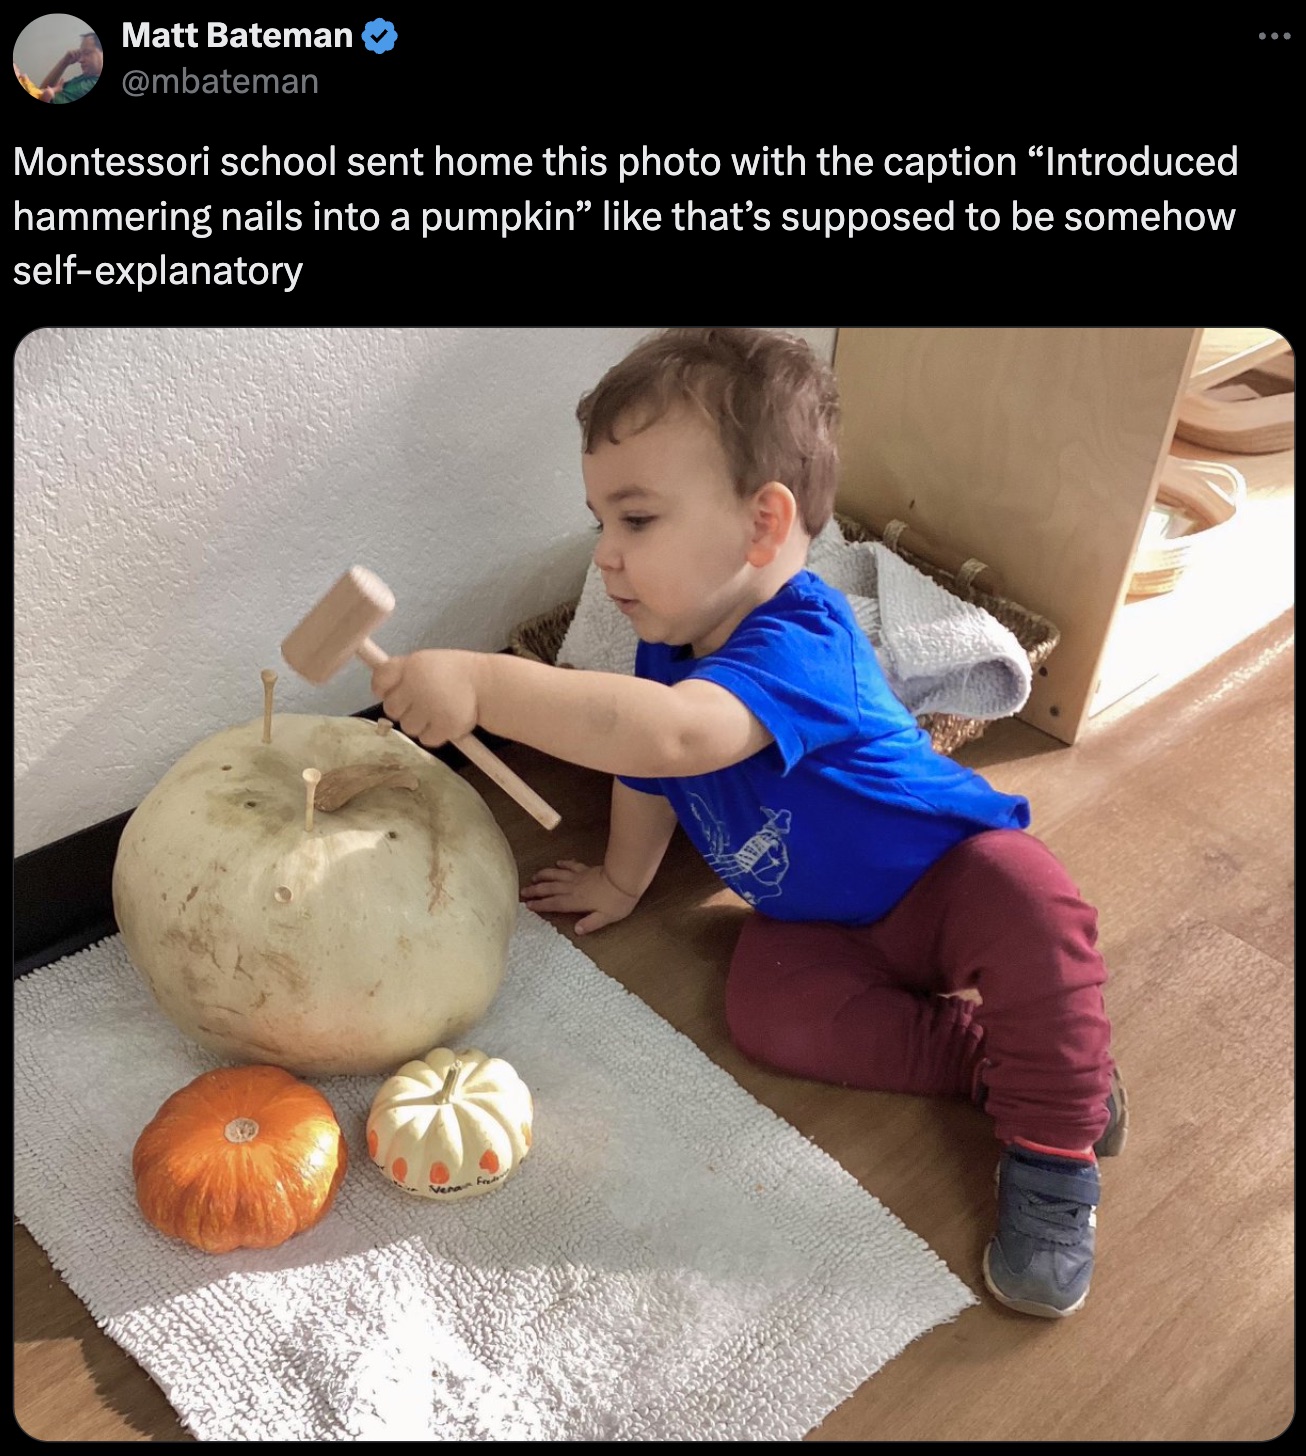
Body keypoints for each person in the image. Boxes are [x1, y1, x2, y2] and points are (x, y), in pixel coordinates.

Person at [372, 327, 1127, 1320]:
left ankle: (1054, 1147)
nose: (605, 556)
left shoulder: (803, 641)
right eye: (601, 520)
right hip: (820, 920)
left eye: (636, 519)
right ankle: (996, 1063)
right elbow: (648, 761)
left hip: (944, 878)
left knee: (1034, 903)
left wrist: (476, 679)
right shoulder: (668, 649)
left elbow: (677, 740)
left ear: (762, 525)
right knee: (765, 1009)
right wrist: (625, 876)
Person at [38, 30, 102, 103]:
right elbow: (41, 92)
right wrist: (64, 62)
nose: (80, 60)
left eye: (87, 53)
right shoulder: (80, 79)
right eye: (81, 54)